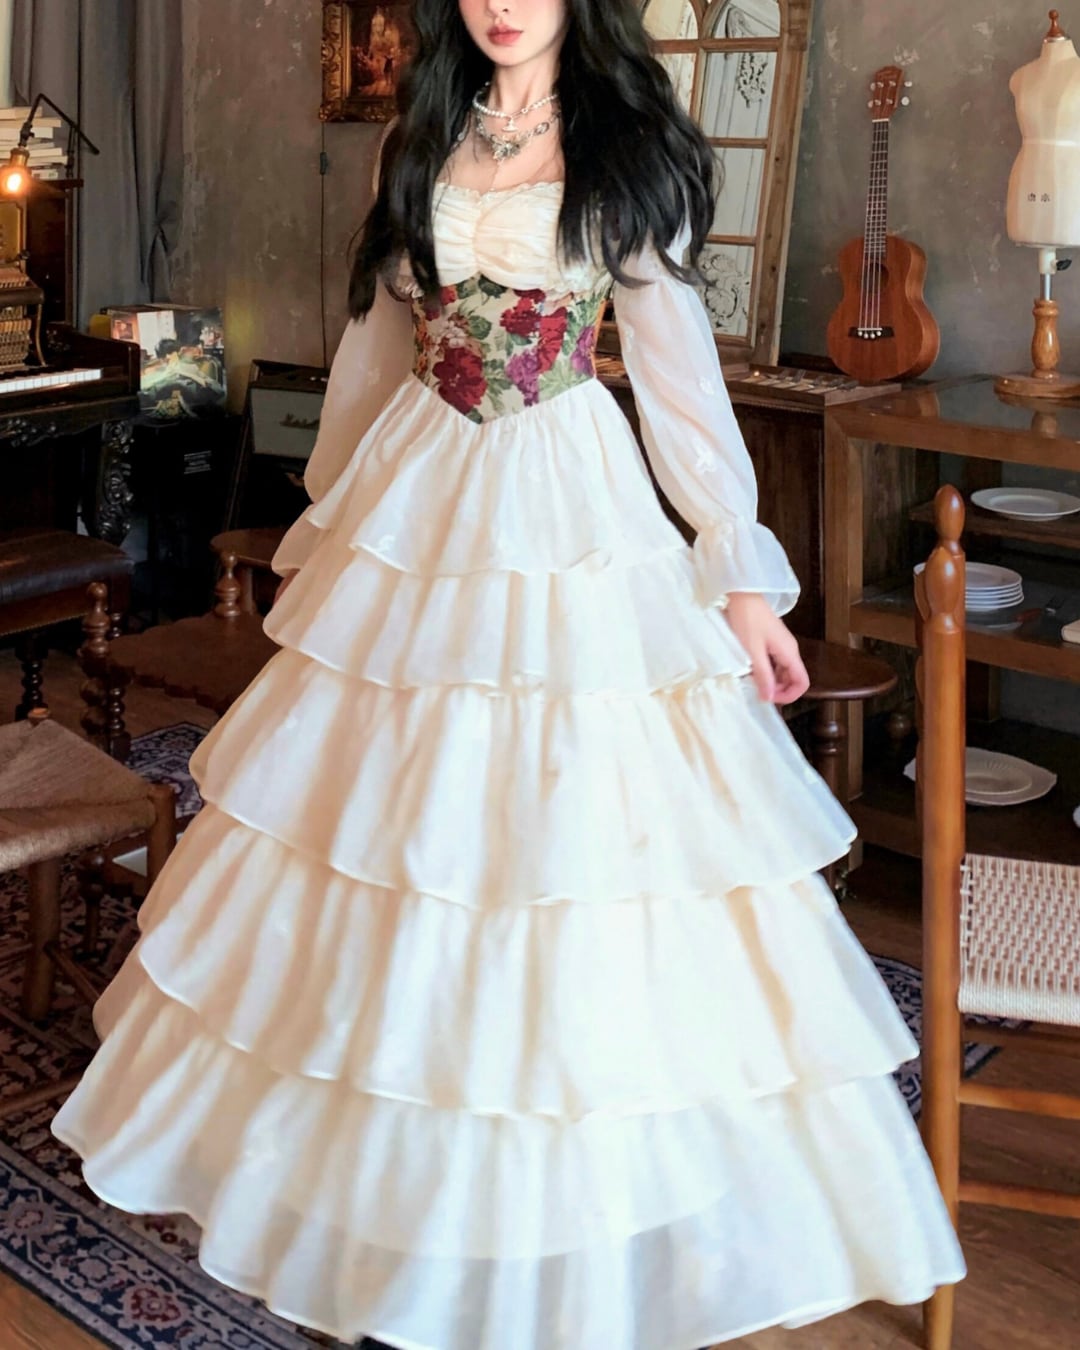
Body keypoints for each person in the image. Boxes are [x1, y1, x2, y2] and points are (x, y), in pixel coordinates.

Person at [54, 2, 965, 1346]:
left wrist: (736, 569)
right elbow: (376, 349)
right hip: (422, 484)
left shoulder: (619, 142)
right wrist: (331, 530)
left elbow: (676, 373)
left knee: (560, 846)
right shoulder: (418, 138)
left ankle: (560, 1210)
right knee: (395, 849)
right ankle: (400, 1205)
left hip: (566, 492)